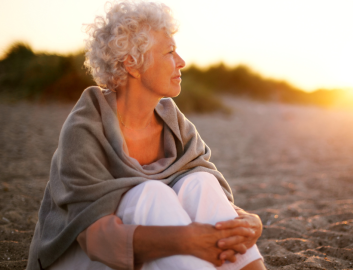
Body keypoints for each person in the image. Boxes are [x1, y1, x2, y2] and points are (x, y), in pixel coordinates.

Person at [26, 2, 266, 270]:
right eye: (170, 51)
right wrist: (185, 240)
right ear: (132, 63)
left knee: (201, 182)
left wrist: (247, 221)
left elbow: (213, 201)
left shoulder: (174, 123)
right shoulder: (86, 126)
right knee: (152, 193)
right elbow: (95, 239)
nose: (181, 61)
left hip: (149, 249)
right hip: (80, 256)